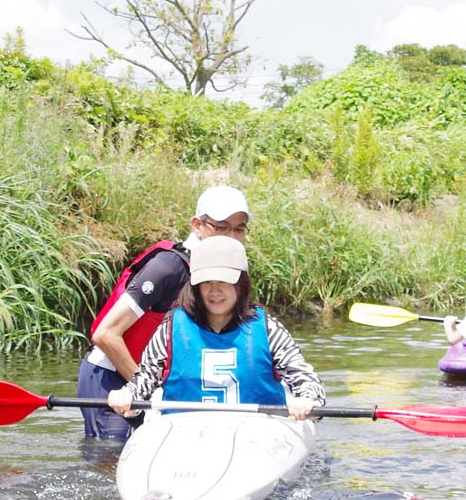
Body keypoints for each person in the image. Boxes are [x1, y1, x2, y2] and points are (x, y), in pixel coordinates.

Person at [77, 185, 251, 441]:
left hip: (148, 382)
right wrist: (147, 391)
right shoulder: (168, 268)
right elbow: (105, 334)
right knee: (111, 460)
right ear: (197, 225)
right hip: (111, 377)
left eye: (239, 229)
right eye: (222, 227)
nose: (230, 237)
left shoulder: (223, 270)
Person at [107, 236, 325, 421]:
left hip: (258, 434)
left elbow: (306, 379)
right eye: (207, 282)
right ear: (195, 285)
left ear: (241, 283)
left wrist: (307, 400)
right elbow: (144, 378)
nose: (215, 291)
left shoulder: (267, 328)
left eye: (224, 281)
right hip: (185, 433)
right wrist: (128, 395)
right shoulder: (172, 325)